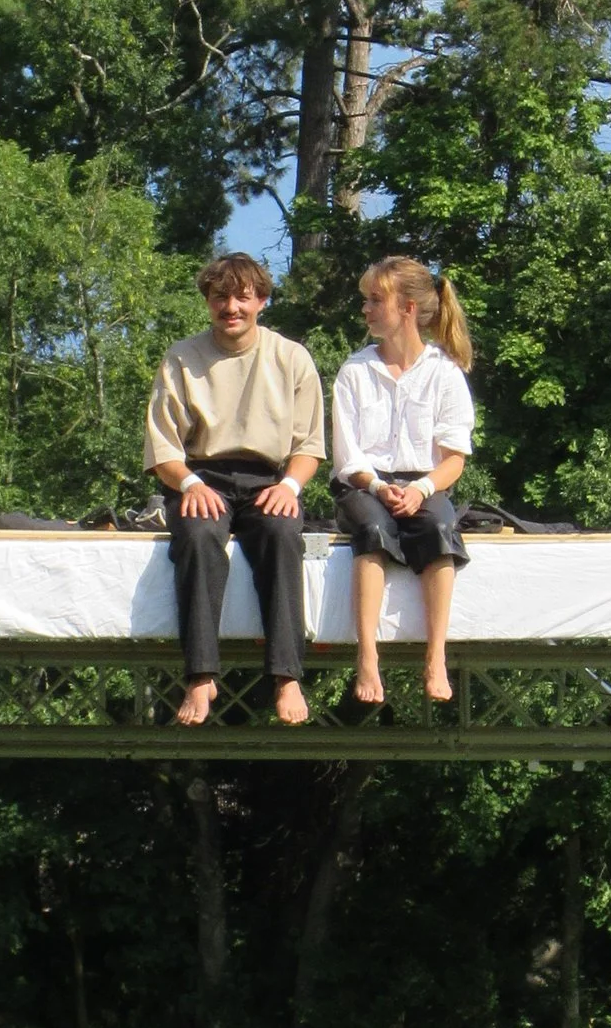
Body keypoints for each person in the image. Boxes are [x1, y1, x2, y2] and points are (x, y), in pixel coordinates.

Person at [144, 253, 328, 728]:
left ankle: (287, 676)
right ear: (208, 302)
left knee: (283, 534)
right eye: (220, 297)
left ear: (261, 301)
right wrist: (188, 482)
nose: (231, 307)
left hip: (270, 479)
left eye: (242, 297)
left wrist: (290, 485)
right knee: (200, 537)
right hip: (199, 475)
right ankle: (201, 675)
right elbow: (163, 448)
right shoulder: (181, 357)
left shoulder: (292, 358)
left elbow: (309, 445)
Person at [330, 256, 476, 707]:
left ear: (407, 308)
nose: (366, 310)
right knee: (372, 530)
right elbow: (347, 456)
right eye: (365, 300)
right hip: (363, 484)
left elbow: (454, 459)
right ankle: (368, 656)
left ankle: (436, 657)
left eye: (375, 300)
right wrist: (378, 487)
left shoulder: (444, 373)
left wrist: (421, 490)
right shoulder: (355, 371)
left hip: (424, 484)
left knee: (438, 530)